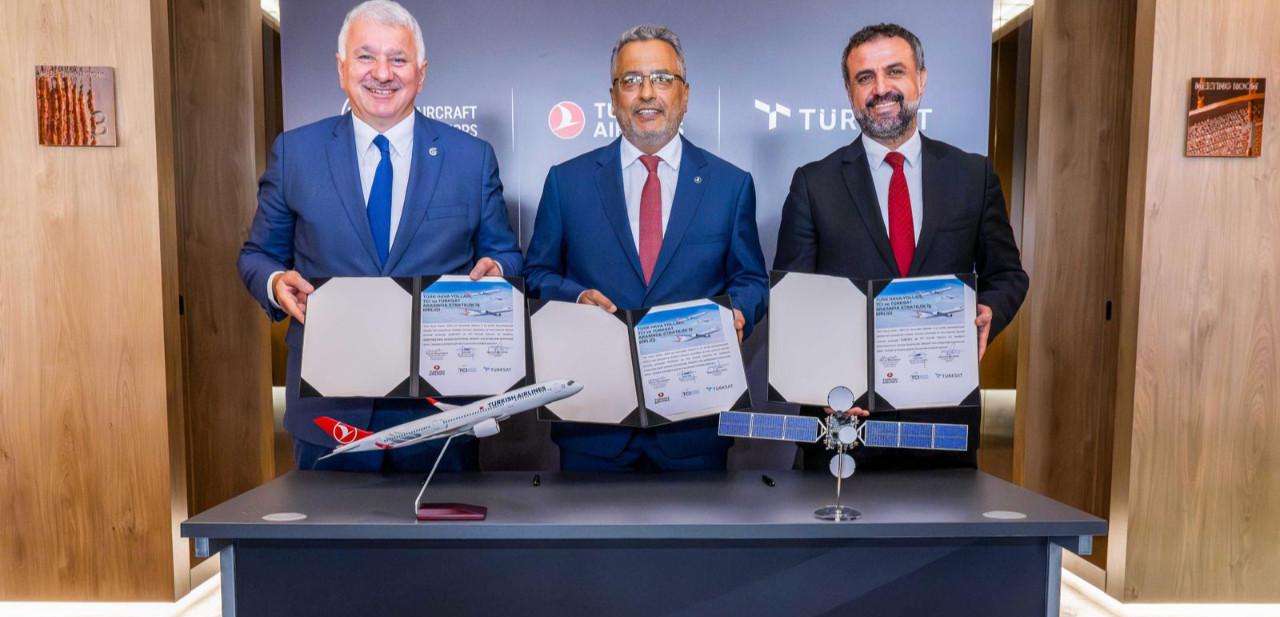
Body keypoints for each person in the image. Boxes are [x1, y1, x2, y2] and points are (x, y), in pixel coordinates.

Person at [238, 0, 522, 472]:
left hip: (439, 415)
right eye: (366, 56)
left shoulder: (470, 158)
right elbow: (257, 255)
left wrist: (498, 270)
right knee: (329, 526)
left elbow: (506, 254)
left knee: (440, 526)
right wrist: (274, 282)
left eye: (398, 59)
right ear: (341, 68)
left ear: (421, 73)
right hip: (328, 413)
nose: (382, 73)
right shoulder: (296, 153)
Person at [774, 23, 1028, 470]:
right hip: (844, 425)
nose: (881, 89)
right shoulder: (814, 184)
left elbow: (1007, 275)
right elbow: (793, 304)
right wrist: (817, 385)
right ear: (850, 92)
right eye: (865, 77)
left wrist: (991, 311)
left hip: (943, 425)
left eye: (894, 71)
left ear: (921, 80)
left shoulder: (973, 176)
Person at [525, 25, 769, 472]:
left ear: (685, 94)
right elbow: (536, 275)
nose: (646, 93)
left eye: (661, 78)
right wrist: (576, 298)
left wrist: (738, 312)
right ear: (613, 97)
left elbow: (751, 279)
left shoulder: (730, 185)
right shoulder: (567, 182)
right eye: (631, 80)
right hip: (593, 427)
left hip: (693, 428)